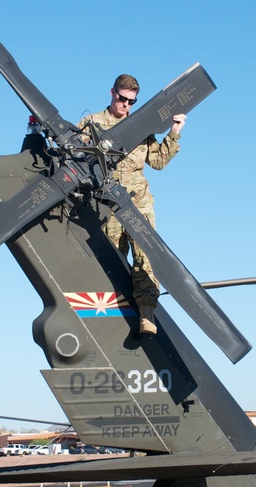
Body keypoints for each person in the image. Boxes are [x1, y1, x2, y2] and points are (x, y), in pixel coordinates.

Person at [76, 74, 186, 336]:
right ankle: (109, 322)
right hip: (106, 204)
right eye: (122, 99)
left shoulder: (140, 126)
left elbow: (157, 161)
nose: (126, 105)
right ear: (112, 93)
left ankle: (147, 313)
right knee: (111, 258)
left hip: (139, 202)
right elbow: (76, 159)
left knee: (145, 255)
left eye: (131, 102)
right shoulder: (91, 124)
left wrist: (174, 132)